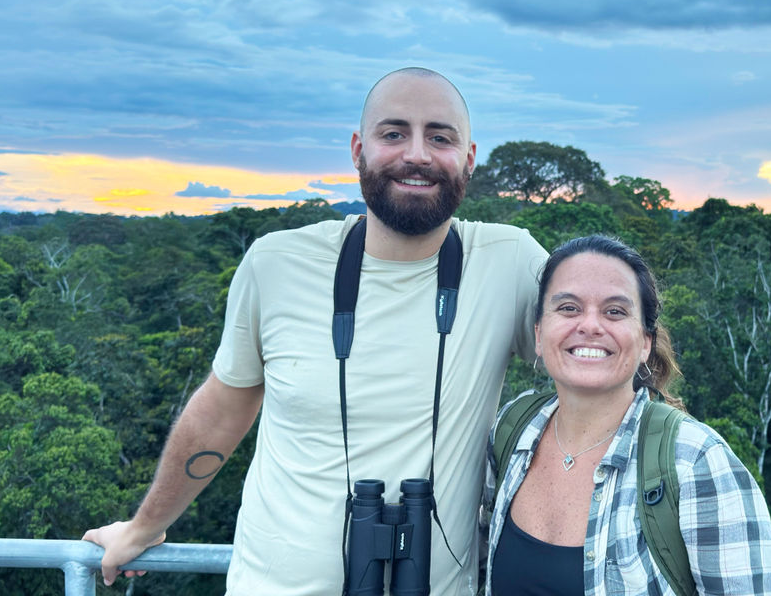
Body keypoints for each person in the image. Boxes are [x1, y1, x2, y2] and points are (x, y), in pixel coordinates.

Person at [82, 67, 548, 595]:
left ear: (468, 158)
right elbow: (222, 408)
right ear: (357, 149)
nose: (416, 154)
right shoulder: (277, 262)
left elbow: (600, 372)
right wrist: (145, 525)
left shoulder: (510, 262)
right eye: (393, 133)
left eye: (439, 137)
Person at [483, 235, 771, 595]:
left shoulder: (696, 461)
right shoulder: (514, 429)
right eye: (569, 308)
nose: (590, 325)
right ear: (539, 334)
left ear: (645, 342)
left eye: (615, 311)